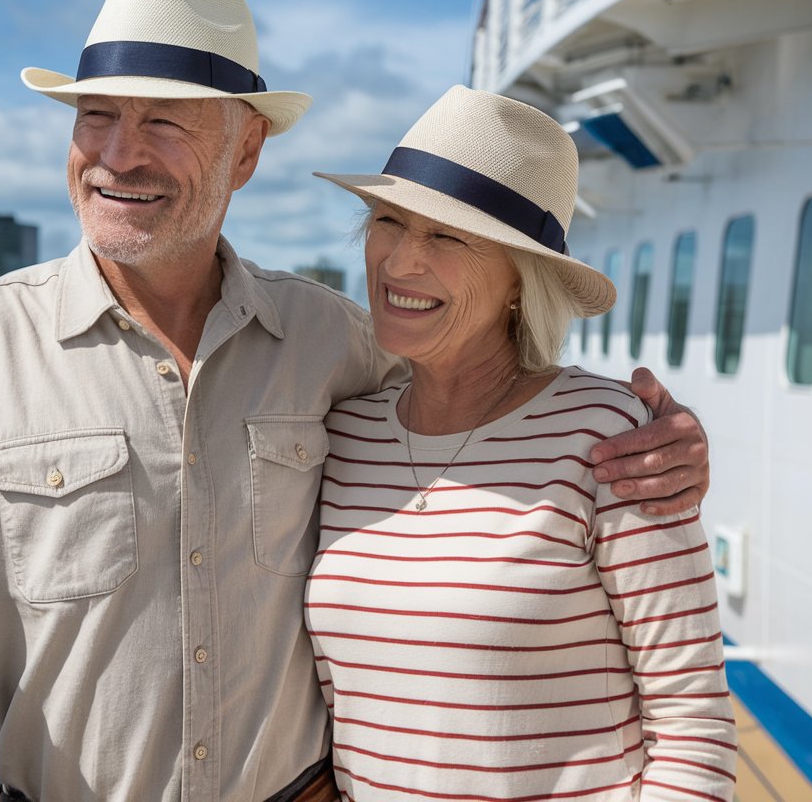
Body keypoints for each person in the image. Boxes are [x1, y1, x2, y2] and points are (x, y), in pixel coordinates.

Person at [0, 0, 710, 801]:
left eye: (166, 124)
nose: (117, 154)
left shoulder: (333, 342)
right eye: (96, 116)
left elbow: (484, 396)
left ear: (247, 149)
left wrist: (658, 442)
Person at [305, 85, 736, 801]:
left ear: (519, 280)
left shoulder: (612, 437)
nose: (402, 261)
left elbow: (693, 723)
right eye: (389, 220)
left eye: (447, 235)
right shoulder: (343, 433)